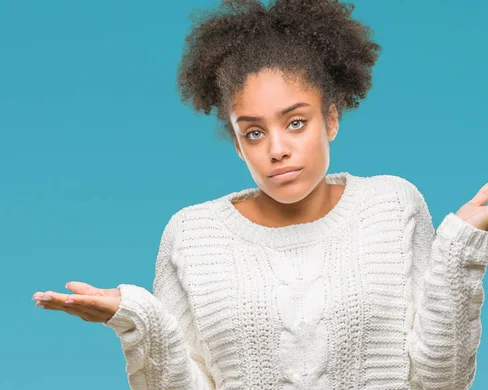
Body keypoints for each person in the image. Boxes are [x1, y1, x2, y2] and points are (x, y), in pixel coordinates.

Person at [31, 0, 488, 388]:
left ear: (331, 118)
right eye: (253, 133)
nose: (276, 150)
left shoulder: (392, 207)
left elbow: (442, 381)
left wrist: (460, 248)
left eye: (295, 122)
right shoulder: (193, 235)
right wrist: (137, 319)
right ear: (236, 143)